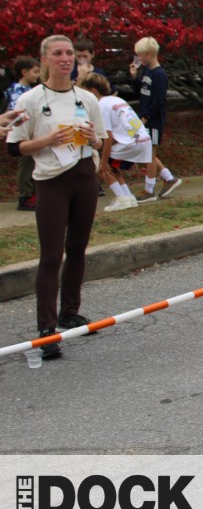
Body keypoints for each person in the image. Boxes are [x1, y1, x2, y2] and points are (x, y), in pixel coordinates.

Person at [6, 35, 108, 359]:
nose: (65, 59)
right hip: (52, 181)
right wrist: (46, 140)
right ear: (44, 60)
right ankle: (46, 330)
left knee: (77, 248)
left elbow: (101, 141)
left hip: (84, 177)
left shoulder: (87, 98)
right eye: (58, 54)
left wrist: (93, 140)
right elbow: (14, 148)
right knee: (51, 256)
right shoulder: (31, 99)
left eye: (69, 54)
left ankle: (70, 312)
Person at [78, 73, 151, 211]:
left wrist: (103, 162)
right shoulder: (116, 100)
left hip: (130, 143)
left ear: (93, 91)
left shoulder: (101, 106)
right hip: (142, 140)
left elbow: (108, 137)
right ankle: (128, 197)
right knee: (114, 166)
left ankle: (122, 198)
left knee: (105, 167)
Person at [129, 37, 182, 202]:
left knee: (149, 154)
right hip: (145, 116)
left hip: (153, 119)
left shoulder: (159, 75)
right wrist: (134, 77)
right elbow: (141, 91)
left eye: (140, 55)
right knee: (147, 151)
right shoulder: (146, 71)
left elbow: (158, 101)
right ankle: (169, 178)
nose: (138, 59)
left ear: (149, 54)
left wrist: (146, 116)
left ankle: (149, 190)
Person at [6, 55, 40, 211]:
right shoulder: (17, 91)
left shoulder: (32, 90)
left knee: (33, 162)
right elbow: (16, 114)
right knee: (26, 164)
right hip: (23, 133)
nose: (37, 75)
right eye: (35, 71)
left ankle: (32, 193)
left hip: (33, 131)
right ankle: (25, 196)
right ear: (24, 72)